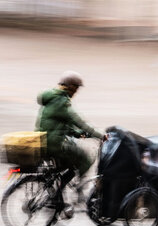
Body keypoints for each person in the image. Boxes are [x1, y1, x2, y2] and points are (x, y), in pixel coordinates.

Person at [35, 71, 106, 206]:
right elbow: (80, 122)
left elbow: (63, 125)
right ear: (71, 87)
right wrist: (101, 135)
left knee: (67, 167)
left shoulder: (52, 98)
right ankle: (73, 192)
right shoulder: (61, 102)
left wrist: (80, 134)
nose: (77, 92)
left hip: (44, 141)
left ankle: (57, 195)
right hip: (54, 144)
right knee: (85, 158)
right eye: (76, 88)